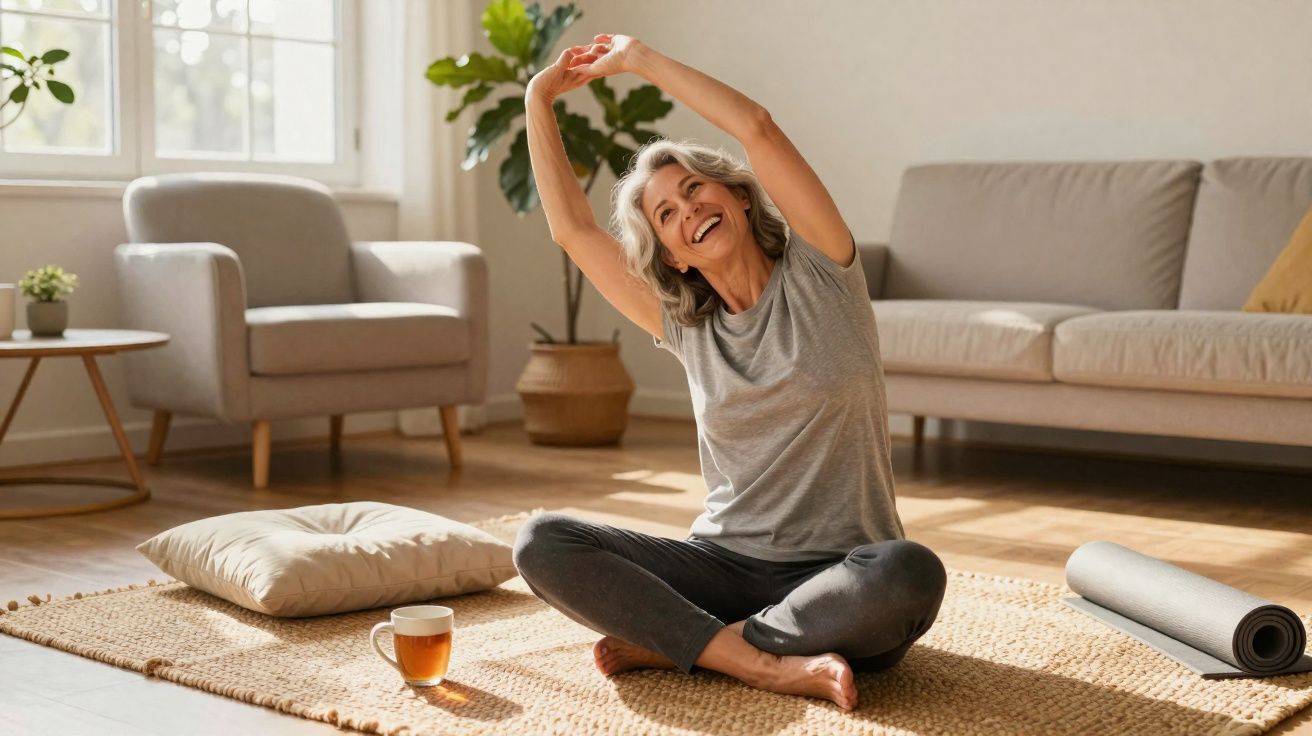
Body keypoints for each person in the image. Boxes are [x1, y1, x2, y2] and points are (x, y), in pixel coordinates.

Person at [512, 33, 947, 712]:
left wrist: (640, 60)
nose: (690, 211)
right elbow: (573, 231)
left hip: (842, 573)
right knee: (541, 542)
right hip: (718, 566)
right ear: (674, 256)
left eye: (695, 188)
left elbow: (757, 127)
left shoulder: (823, 271)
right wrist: (537, 97)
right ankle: (762, 660)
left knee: (909, 573)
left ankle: (691, 644)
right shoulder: (684, 325)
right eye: (668, 214)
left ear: (740, 197)